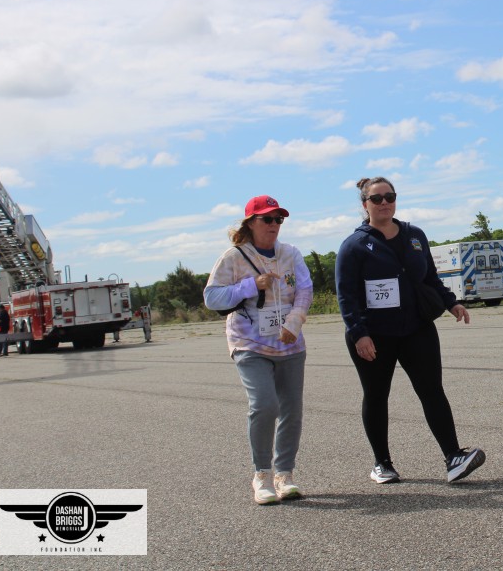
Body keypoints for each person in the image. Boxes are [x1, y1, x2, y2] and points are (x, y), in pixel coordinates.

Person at [335, 177, 486, 484]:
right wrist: (359, 333)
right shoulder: (353, 246)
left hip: (416, 328)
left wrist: (451, 303)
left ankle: (453, 457)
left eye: (390, 196)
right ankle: (382, 464)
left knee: (432, 391)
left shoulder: (414, 235)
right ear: (364, 204)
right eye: (377, 198)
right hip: (374, 335)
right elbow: (346, 295)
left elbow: (430, 277)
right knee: (376, 395)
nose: (384, 203)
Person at [204, 195, 313, 505]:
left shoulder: (290, 253)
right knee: (265, 405)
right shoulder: (233, 257)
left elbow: (305, 289)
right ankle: (262, 475)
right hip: (249, 342)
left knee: (292, 410)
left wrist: (294, 322)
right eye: (267, 219)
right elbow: (212, 298)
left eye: (279, 219)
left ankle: (285, 475)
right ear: (251, 223)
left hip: (289, 342)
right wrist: (251, 285)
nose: (274, 224)